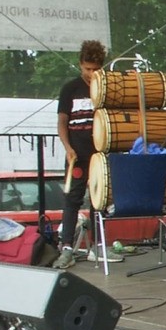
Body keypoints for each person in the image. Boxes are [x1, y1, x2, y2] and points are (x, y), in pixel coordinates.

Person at [53, 40, 118, 269]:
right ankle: (67, 248)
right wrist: (68, 148)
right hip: (77, 154)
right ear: (80, 65)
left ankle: (97, 246)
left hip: (100, 155)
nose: (91, 74)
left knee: (99, 201)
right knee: (72, 200)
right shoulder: (70, 89)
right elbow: (62, 122)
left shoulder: (108, 89)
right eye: (87, 69)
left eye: (95, 69)